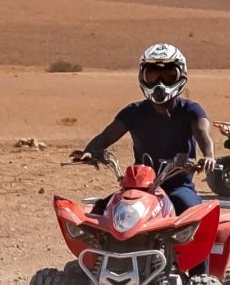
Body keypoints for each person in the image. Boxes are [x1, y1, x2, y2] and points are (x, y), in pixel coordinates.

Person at [74, 43, 214, 211]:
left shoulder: (191, 110)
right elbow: (107, 136)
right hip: (139, 185)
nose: (160, 83)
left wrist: (208, 156)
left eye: (169, 75)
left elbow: (203, 133)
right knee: (103, 210)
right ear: (142, 76)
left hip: (178, 186)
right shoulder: (133, 112)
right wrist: (89, 151)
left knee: (190, 210)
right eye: (152, 75)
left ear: (180, 75)